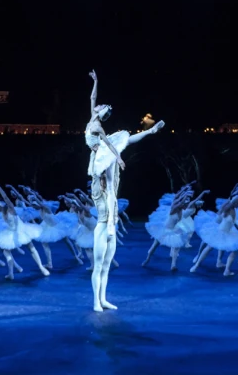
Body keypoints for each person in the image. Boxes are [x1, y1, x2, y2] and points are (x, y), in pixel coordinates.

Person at [84, 69, 165, 312]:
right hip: (99, 157)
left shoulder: (98, 122)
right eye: (100, 106)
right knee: (99, 261)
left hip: (104, 155)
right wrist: (96, 81)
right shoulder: (94, 122)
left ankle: (104, 298)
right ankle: (96, 301)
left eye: (101, 106)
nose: (98, 105)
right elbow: (92, 100)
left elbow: (109, 139)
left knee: (125, 140)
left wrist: (117, 157)